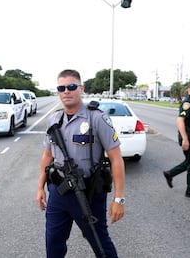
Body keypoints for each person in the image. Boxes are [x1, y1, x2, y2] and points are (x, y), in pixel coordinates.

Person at [35, 69, 125, 257]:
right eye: (61, 87)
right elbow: (47, 156)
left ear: (81, 89)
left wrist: (119, 199)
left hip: (89, 194)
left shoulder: (97, 118)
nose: (66, 91)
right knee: (53, 245)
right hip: (58, 194)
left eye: (71, 86)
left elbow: (116, 158)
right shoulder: (54, 120)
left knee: (101, 245)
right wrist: (39, 188)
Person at [163, 81, 190, 200]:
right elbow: (180, 121)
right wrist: (185, 140)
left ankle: (170, 173)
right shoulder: (187, 103)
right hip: (188, 137)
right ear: (189, 90)